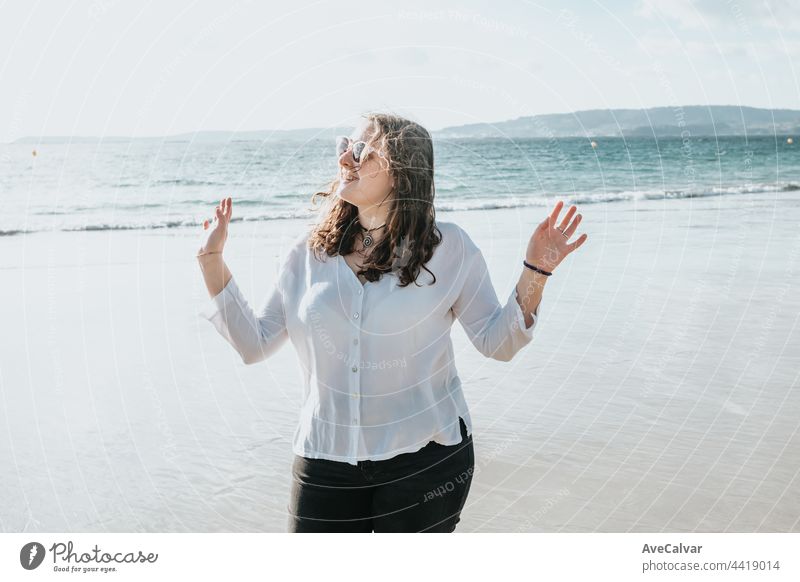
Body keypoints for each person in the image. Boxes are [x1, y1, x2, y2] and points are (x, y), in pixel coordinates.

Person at [196, 112, 587, 532]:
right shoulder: (307, 255)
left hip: (427, 460)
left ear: (403, 172)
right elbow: (254, 344)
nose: (346, 157)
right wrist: (211, 261)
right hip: (325, 460)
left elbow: (498, 342)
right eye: (344, 145)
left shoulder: (449, 248)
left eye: (362, 150)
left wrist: (536, 270)